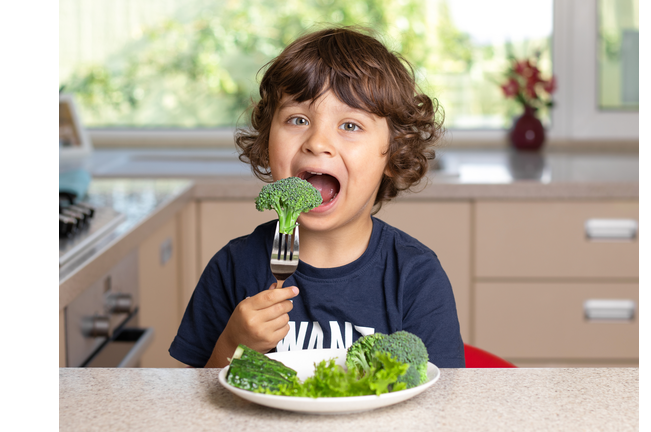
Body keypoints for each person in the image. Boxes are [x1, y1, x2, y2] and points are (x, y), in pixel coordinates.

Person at [169, 26, 465, 368]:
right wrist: (234, 342)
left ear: (393, 154)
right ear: (267, 143)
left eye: (350, 125)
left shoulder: (415, 276)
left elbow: (440, 404)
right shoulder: (234, 267)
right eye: (298, 119)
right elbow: (198, 406)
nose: (317, 142)